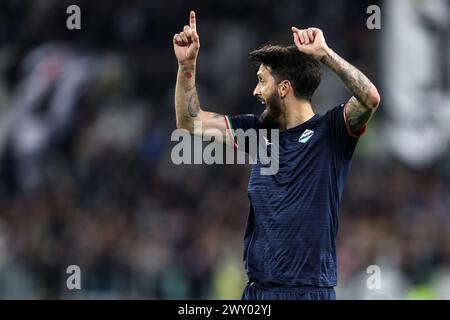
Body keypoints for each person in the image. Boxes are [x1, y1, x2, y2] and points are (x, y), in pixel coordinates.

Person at [173, 11, 380, 300]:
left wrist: (325, 54)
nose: (255, 90)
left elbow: (369, 98)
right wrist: (187, 65)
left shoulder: (331, 132)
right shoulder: (257, 132)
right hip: (258, 294)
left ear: (284, 88)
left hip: (309, 292)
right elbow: (189, 121)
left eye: (262, 80)